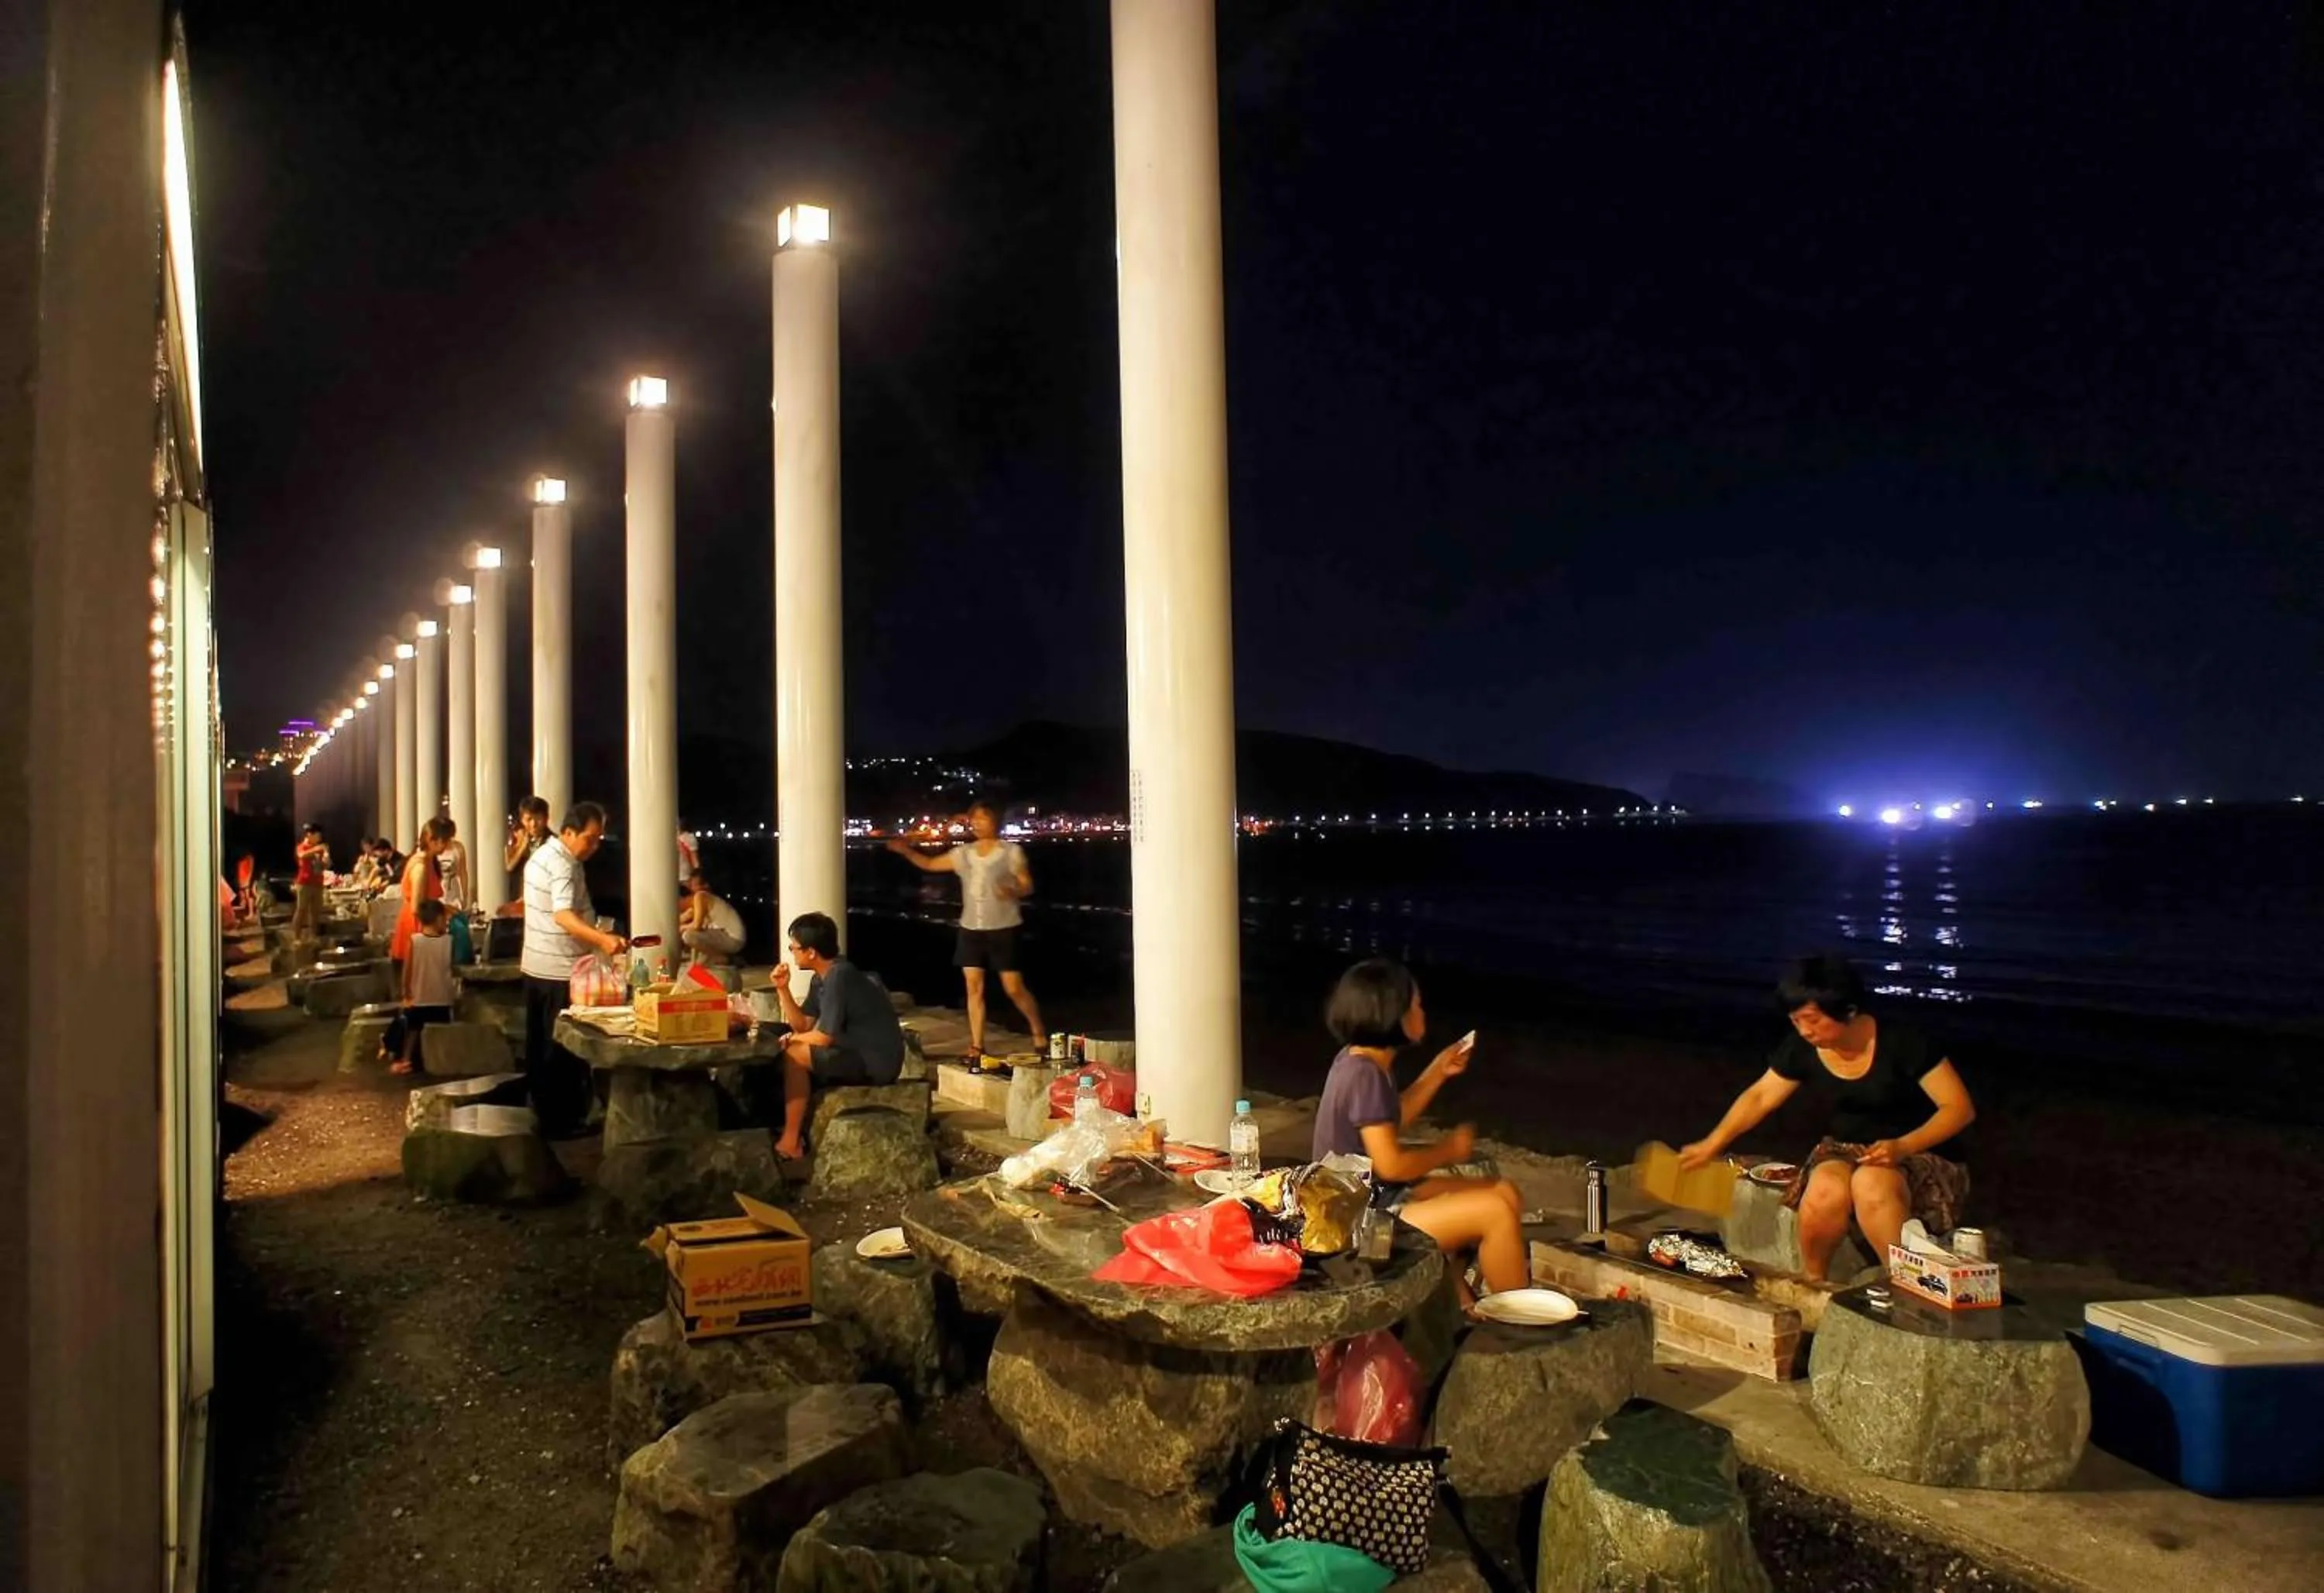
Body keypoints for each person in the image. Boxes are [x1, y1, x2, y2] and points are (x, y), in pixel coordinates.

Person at [1679, 953, 1977, 1281]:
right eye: (1796, 1021)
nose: (1805, 1031)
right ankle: (1814, 1285)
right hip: (1846, 1148)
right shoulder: (1801, 1048)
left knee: (1871, 1184)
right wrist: (1712, 1144)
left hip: (1920, 1150)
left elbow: (1958, 1109)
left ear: (1848, 1011)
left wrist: (1903, 1146)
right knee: (1825, 1189)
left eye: (1814, 1020)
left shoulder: (1904, 1043)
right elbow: (1760, 1097)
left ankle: (1908, 1284)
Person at [1313, 958, 1528, 1300]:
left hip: (1380, 1196)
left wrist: (1439, 1070)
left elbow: (1388, 1117)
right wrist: (1448, 1150)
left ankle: (1459, 1302)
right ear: (1392, 1014)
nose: (1422, 1012)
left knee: (1505, 1192)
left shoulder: (1359, 1059)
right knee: (1496, 1212)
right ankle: (1519, 1324)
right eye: (1416, 1004)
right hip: (1362, 1225)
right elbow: (1392, 1165)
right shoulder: (1365, 1074)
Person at [885, 801, 1047, 1057]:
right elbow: (929, 864)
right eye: (975, 819)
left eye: (985, 818)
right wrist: (906, 851)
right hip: (971, 928)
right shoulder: (963, 854)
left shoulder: (1010, 852)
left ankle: (1038, 1030)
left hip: (1004, 927)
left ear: (995, 821)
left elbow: (1027, 885)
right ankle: (977, 1045)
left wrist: (1014, 890)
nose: (979, 823)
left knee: (1013, 987)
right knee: (974, 987)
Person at [765, 911, 905, 1161]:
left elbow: (823, 1037)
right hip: (852, 1052)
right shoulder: (821, 978)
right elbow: (803, 1026)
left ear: (811, 952)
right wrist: (783, 989)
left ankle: (791, 1141)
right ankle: (782, 1126)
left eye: (794, 947)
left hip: (874, 1061)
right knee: (783, 1040)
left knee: (795, 1053)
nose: (792, 952)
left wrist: (789, 1041)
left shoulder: (840, 976)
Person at [522, 801, 627, 1135]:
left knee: (540, 1046)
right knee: (564, 1050)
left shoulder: (543, 855)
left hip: (536, 964)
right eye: (590, 839)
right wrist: (602, 940)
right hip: (558, 969)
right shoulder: (564, 864)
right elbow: (563, 915)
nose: (595, 847)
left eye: (598, 840)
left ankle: (543, 1115)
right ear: (568, 832)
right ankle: (563, 1122)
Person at [386, 898, 459, 1076]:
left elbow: (407, 970)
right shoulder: (449, 941)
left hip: (420, 999)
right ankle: (442, 1060)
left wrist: (406, 991)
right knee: (441, 1030)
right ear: (439, 919)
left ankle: (406, 1059)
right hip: (443, 1000)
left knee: (412, 1029)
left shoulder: (415, 941)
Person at [388, 818, 450, 975]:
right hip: (417, 928)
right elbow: (417, 907)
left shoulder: (427, 861)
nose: (447, 844)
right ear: (432, 841)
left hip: (422, 926)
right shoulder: (420, 866)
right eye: (445, 840)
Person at [679, 870, 746, 965]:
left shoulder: (700, 896)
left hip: (732, 938)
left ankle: (724, 959)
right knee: (696, 961)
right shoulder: (698, 904)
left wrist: (680, 928)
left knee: (689, 936)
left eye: (693, 885)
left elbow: (696, 926)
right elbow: (684, 918)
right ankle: (725, 960)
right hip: (728, 937)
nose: (691, 888)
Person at [504, 796, 549, 907]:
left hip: (543, 902)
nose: (533, 824)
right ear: (522, 820)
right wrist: (523, 846)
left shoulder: (552, 843)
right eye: (529, 819)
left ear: (546, 819)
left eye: (538, 819)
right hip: (519, 902)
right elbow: (509, 867)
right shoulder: (515, 843)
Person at [290, 823, 329, 939]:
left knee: (315, 912)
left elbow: (325, 865)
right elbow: (301, 855)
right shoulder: (302, 847)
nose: (319, 839)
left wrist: (326, 857)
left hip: (317, 883)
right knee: (301, 910)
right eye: (317, 836)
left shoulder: (320, 849)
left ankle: (313, 937)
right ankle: (296, 937)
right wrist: (317, 849)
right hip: (304, 883)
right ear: (309, 835)